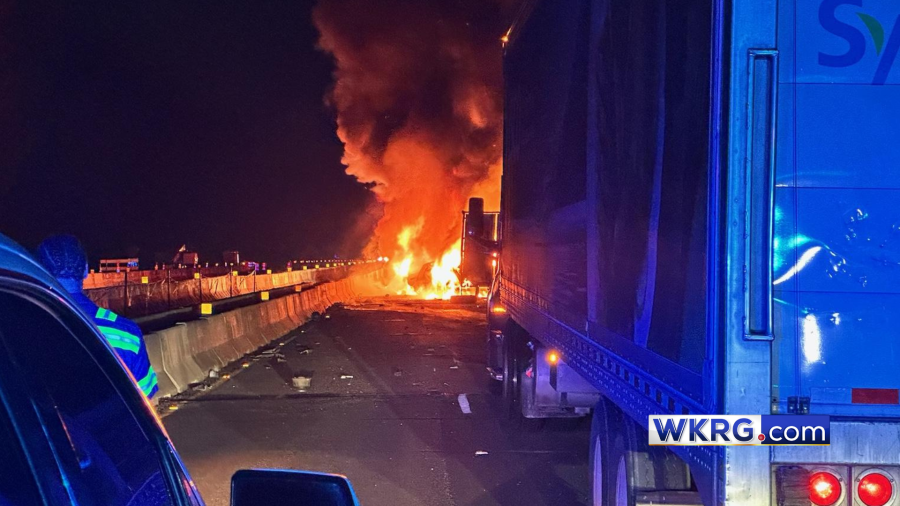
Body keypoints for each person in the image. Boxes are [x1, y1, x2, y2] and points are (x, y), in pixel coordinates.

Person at [36, 235, 159, 398]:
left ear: (39, 271)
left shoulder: (28, 329)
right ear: (86, 270)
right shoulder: (127, 334)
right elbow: (144, 399)